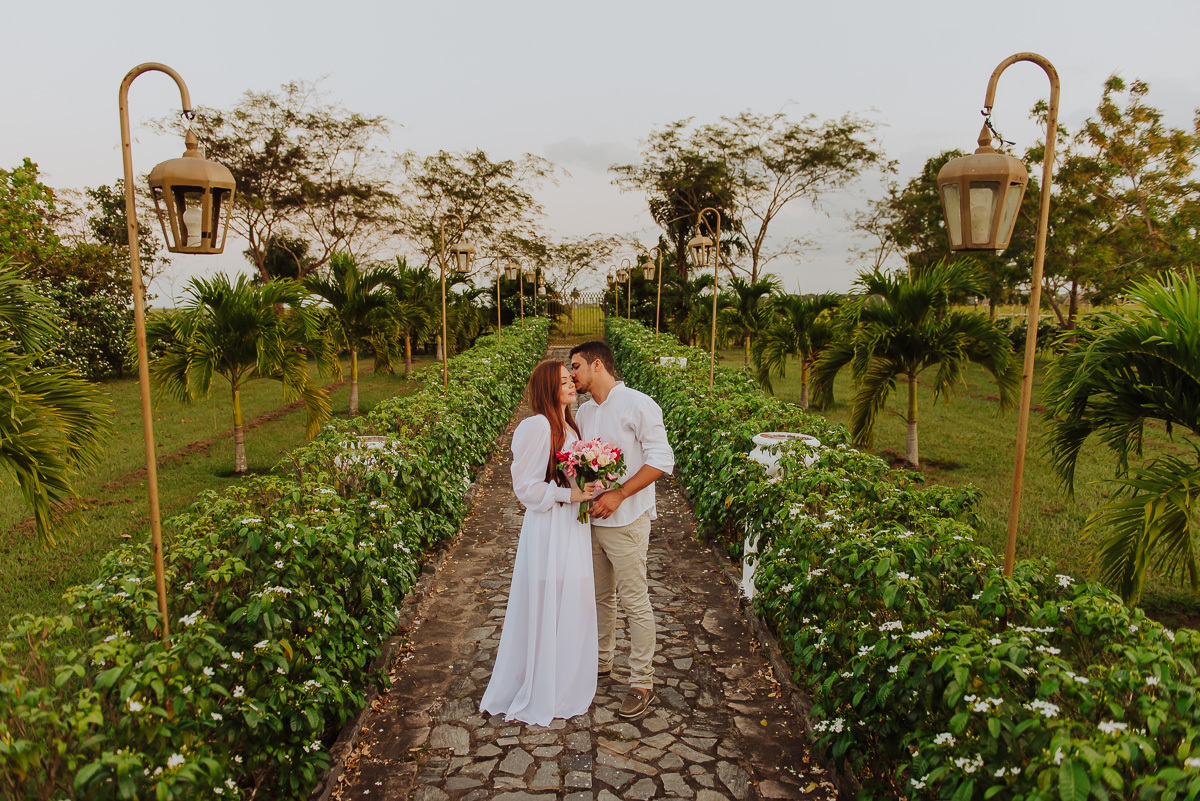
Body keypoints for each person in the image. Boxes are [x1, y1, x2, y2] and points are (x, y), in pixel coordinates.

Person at [480, 360, 599, 726]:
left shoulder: (569, 424)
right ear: (548, 387)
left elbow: (573, 478)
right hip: (549, 526)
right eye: (563, 381)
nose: (570, 384)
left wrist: (592, 485)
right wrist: (569, 496)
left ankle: (563, 679)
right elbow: (525, 488)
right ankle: (540, 682)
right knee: (548, 597)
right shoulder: (538, 426)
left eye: (570, 379)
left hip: (572, 526)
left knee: (572, 598)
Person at [569, 341, 675, 719]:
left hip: (627, 520)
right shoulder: (584, 411)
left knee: (634, 599)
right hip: (592, 521)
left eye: (576, 366)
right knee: (599, 597)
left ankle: (642, 681)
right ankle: (601, 661)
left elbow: (662, 459)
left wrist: (620, 494)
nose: (572, 374)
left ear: (597, 365)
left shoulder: (638, 404)